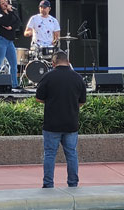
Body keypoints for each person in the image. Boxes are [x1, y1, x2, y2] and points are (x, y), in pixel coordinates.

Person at [35, 50, 87, 188]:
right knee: (71, 154)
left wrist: (52, 101)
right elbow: (82, 101)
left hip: (52, 123)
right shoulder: (77, 78)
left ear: (53, 63)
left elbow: (39, 98)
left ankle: (48, 184)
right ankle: (73, 183)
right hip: (71, 122)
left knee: (50, 154)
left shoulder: (48, 77)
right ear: (68, 62)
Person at [0, 0, 21, 88]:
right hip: (1, 39)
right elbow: (6, 22)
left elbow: (18, 21)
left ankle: (14, 84)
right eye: (2, 3)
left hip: (10, 41)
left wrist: (12, 26)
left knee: (13, 64)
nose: (5, 4)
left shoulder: (10, 12)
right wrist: (10, 23)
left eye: (6, 2)